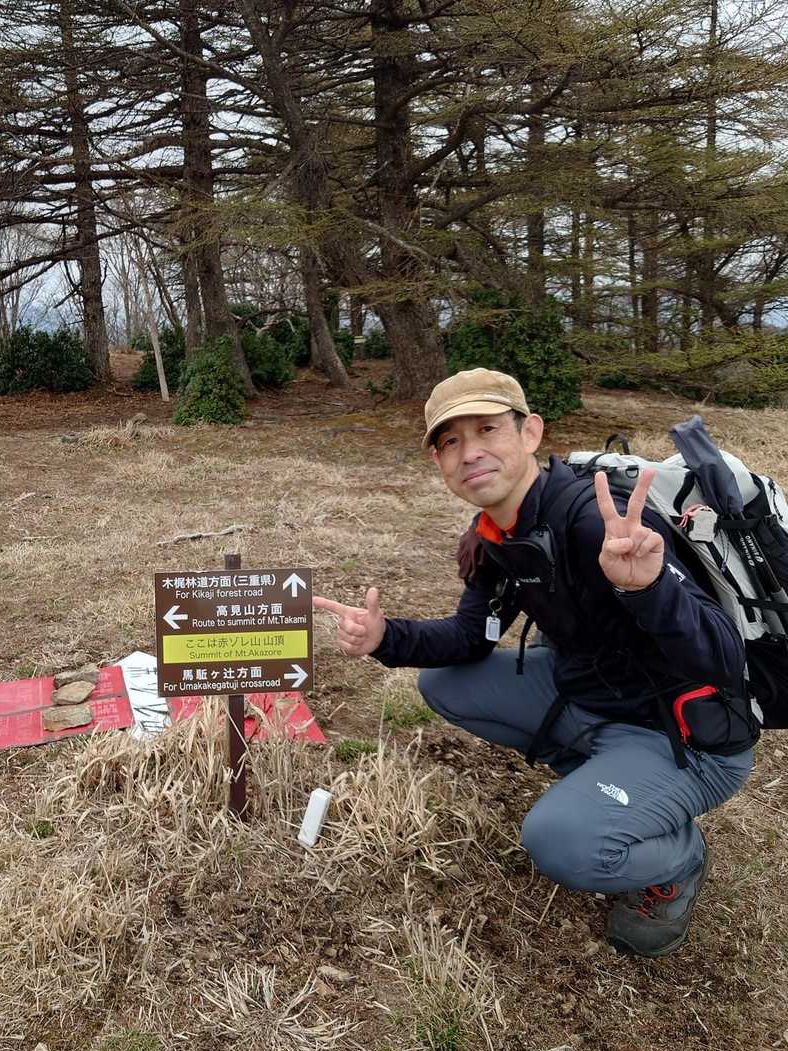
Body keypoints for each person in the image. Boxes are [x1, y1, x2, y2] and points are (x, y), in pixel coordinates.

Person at [312, 368, 756, 957]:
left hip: (684, 737)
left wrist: (650, 589)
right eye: (450, 441)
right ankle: (602, 779)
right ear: (439, 462)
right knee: (445, 684)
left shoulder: (599, 521)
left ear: (530, 433)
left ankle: (679, 858)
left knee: (560, 842)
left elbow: (725, 657)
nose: (469, 452)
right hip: (590, 695)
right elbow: (471, 638)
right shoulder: (498, 533)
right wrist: (384, 637)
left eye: (487, 429)